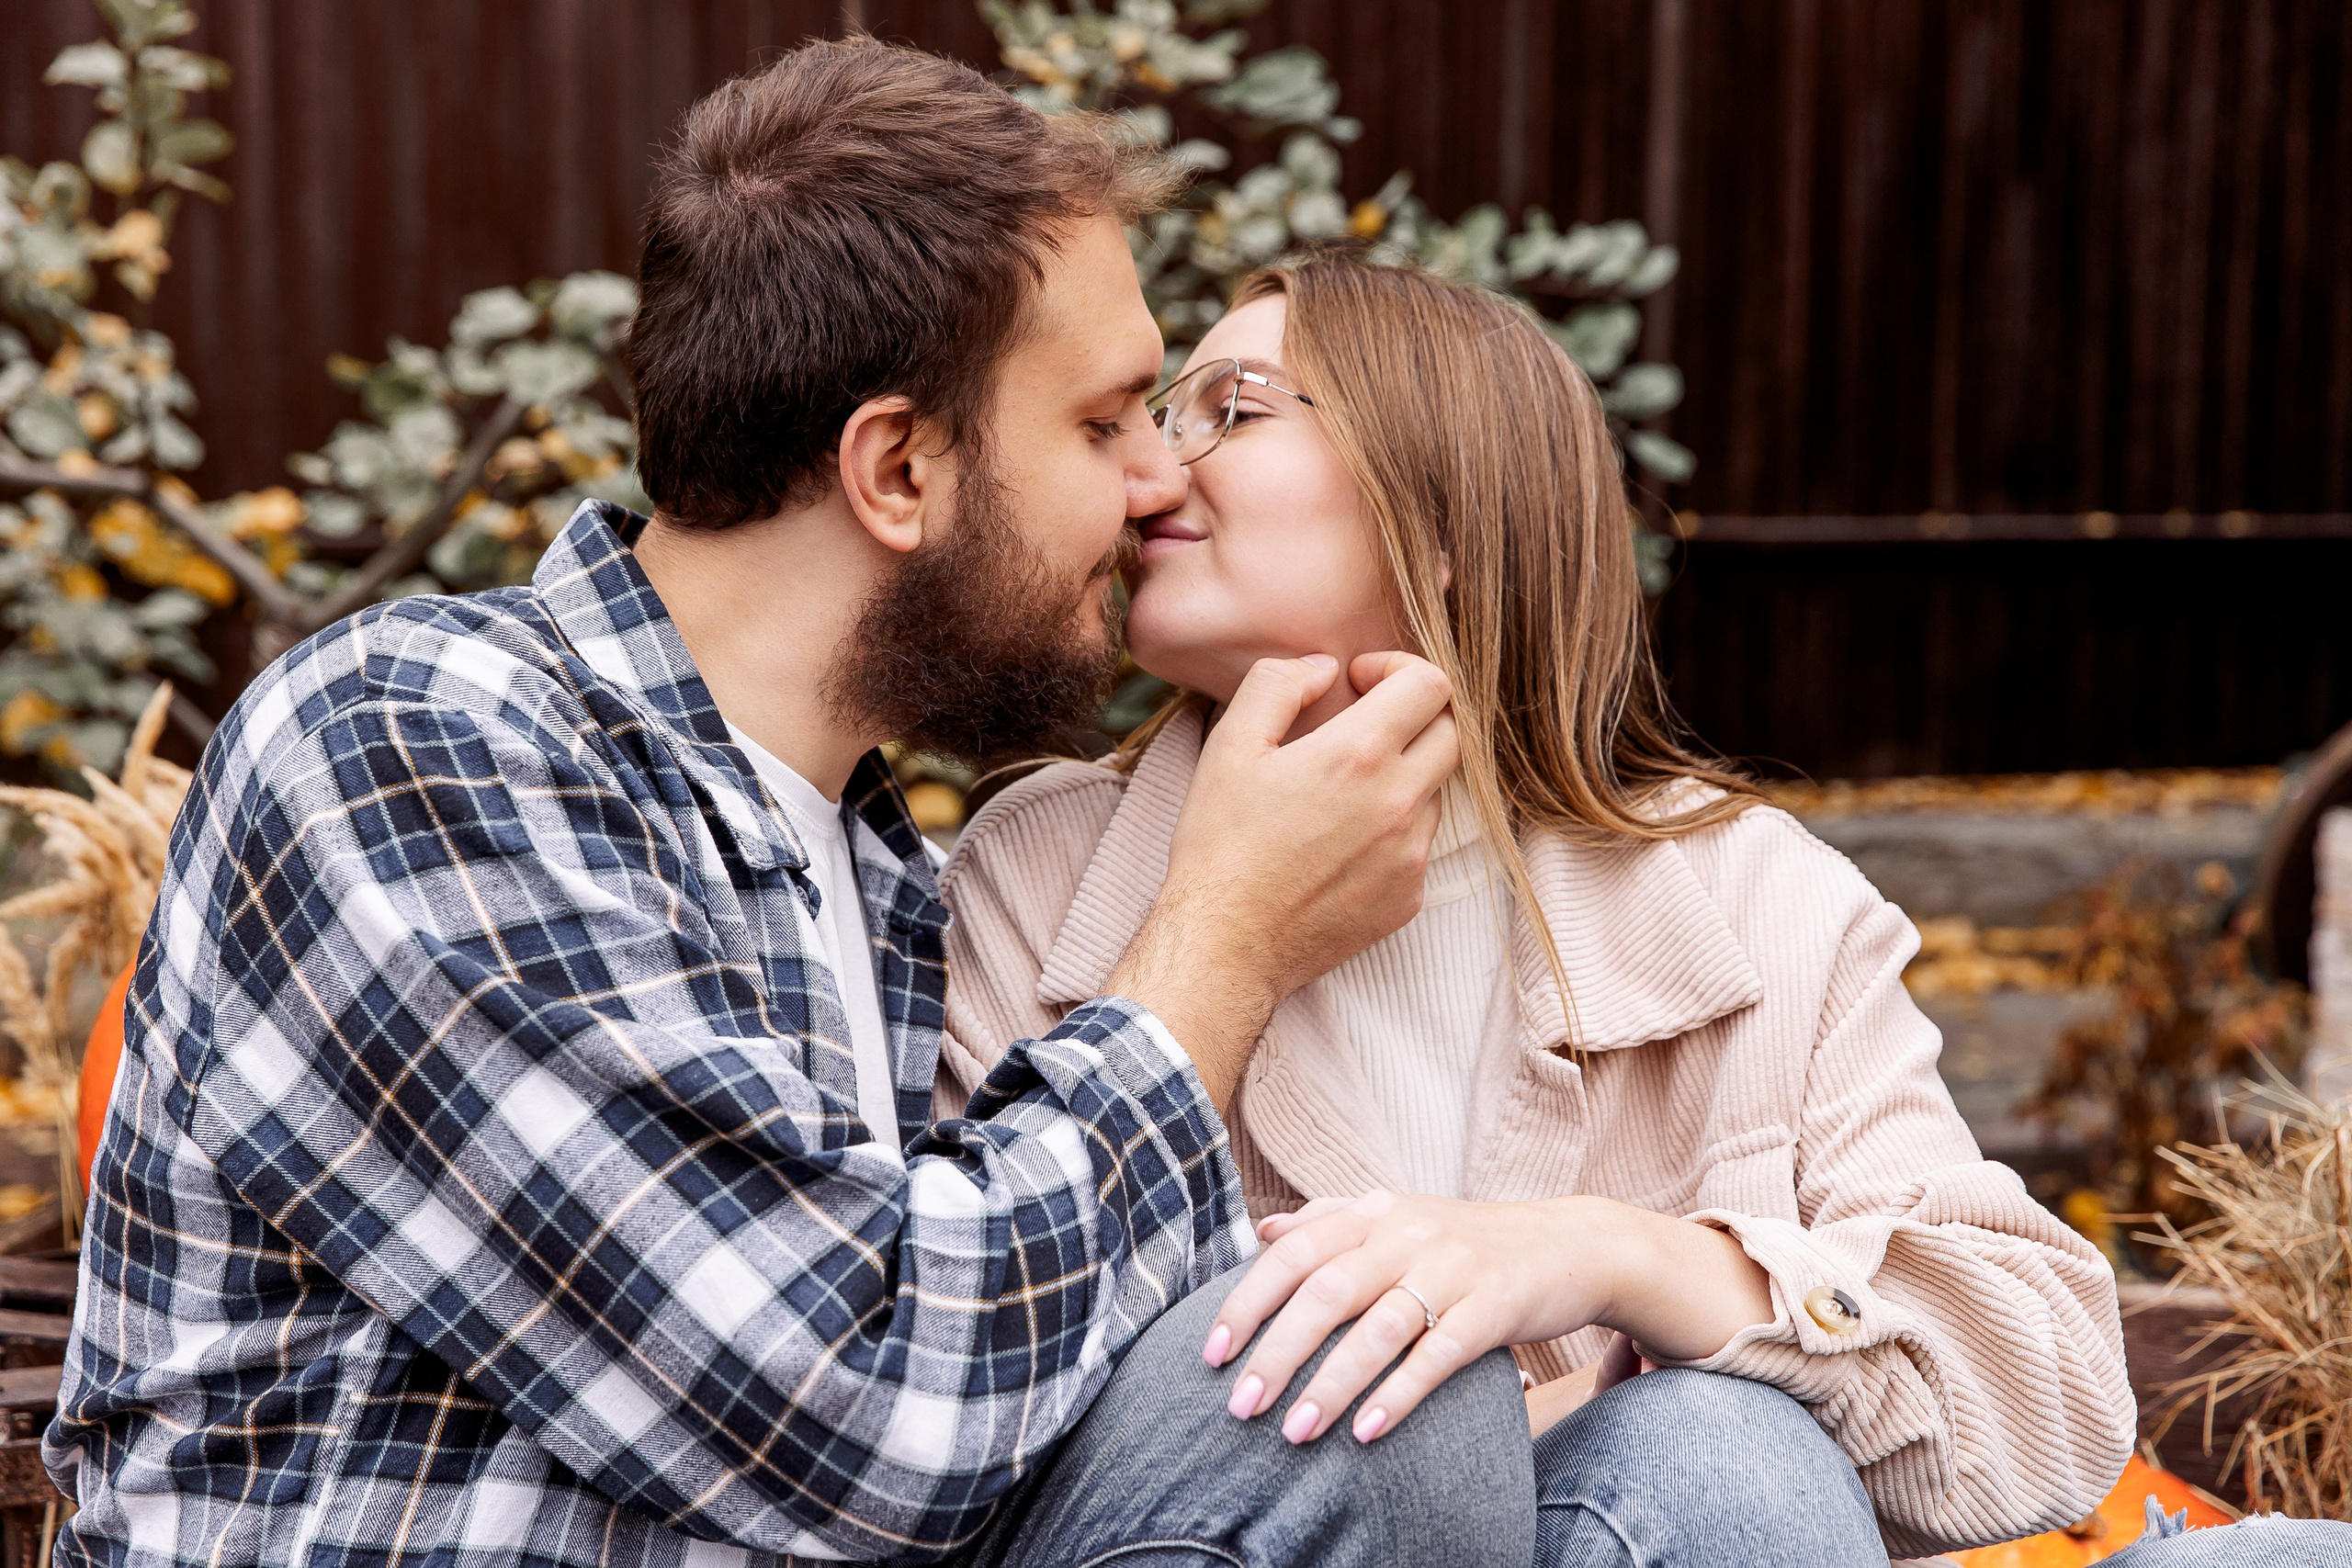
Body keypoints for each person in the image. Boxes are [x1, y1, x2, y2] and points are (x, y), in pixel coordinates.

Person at [43, 40, 1546, 1568]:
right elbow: (864, 1406)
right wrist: (1225, 939)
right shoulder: (412, 738)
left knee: (1666, 1445)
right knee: (1386, 1401)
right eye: (1104, 423)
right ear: (897, 468)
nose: (1157, 480)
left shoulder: (873, 868)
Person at [936, 256, 2346, 1567]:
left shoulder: (1753, 900)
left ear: (1444, 512)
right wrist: (1481, 1437)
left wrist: (1623, 1259)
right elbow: (947, 1396)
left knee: (1742, 1460)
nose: (1146, 472)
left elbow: (2046, 1402)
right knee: (1600, 1432)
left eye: (1224, 409)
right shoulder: (1036, 877)